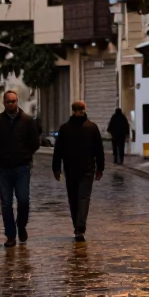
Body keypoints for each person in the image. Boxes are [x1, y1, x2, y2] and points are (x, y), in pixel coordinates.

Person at [0, 90, 40, 247]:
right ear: (4, 103)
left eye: (13, 101)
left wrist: (25, 153)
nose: (11, 104)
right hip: (4, 168)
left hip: (22, 167)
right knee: (6, 203)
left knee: (23, 200)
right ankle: (10, 235)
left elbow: (35, 142)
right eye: (8, 102)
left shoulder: (27, 121)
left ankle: (21, 225)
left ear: (17, 101)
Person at [52, 100, 104, 240]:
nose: (80, 112)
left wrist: (100, 168)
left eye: (81, 109)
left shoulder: (90, 128)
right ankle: (78, 226)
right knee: (75, 198)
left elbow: (99, 149)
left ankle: (80, 226)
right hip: (72, 169)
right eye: (79, 109)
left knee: (82, 197)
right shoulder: (67, 128)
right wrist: (56, 168)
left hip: (85, 169)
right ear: (75, 110)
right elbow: (59, 150)